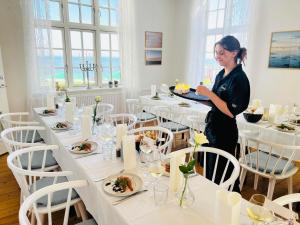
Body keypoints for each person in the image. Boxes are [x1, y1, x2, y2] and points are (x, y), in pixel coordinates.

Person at [196, 35, 250, 192]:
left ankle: (230, 205)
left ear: (234, 53)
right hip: (213, 128)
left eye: (221, 53)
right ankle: (212, 202)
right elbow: (215, 102)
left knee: (224, 174)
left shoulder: (239, 79)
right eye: (216, 53)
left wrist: (209, 94)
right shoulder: (221, 74)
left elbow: (230, 111)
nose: (217, 57)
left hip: (225, 133)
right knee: (211, 171)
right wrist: (199, 97)